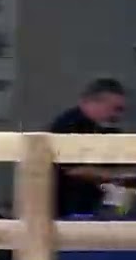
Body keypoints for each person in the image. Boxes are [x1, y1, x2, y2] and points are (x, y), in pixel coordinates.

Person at [49, 78, 128, 217]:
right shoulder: (68, 125)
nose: (117, 116)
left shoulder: (105, 128)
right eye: (115, 109)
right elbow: (72, 170)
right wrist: (115, 176)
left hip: (93, 204)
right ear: (93, 102)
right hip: (65, 208)